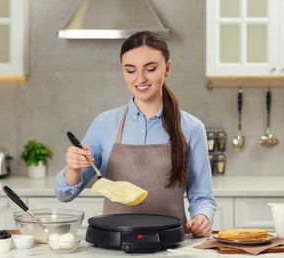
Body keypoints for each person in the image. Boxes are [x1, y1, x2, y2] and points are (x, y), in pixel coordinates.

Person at [55, 31, 216, 238]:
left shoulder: (192, 127)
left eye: (150, 69)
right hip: (114, 244)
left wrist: (203, 217)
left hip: (171, 244)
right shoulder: (104, 124)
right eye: (130, 70)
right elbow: (64, 194)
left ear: (167, 68)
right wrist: (74, 167)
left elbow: (202, 197)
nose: (140, 78)